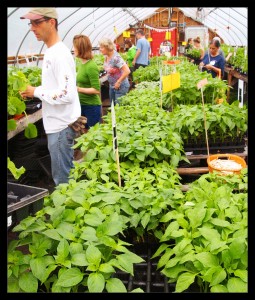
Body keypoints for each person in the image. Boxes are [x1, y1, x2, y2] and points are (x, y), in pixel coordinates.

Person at [19, 7, 83, 186]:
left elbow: (67, 94)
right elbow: (57, 87)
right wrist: (35, 90)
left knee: (62, 180)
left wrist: (36, 92)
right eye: (30, 23)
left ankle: (68, 209)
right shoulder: (51, 51)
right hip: (58, 125)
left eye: (37, 22)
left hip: (61, 127)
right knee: (64, 174)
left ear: (51, 22)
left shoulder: (59, 54)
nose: (32, 28)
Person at [73, 35, 102, 129]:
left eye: (75, 46)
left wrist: (78, 89)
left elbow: (96, 89)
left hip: (91, 107)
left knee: (93, 135)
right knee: (85, 133)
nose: (73, 49)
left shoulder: (91, 66)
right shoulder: (82, 64)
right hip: (82, 104)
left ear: (81, 48)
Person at [99, 37, 130, 105]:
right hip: (112, 85)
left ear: (108, 47)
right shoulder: (106, 56)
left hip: (120, 86)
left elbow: (127, 71)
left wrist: (118, 82)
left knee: (118, 108)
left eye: (102, 47)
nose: (100, 49)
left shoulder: (116, 58)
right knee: (113, 106)